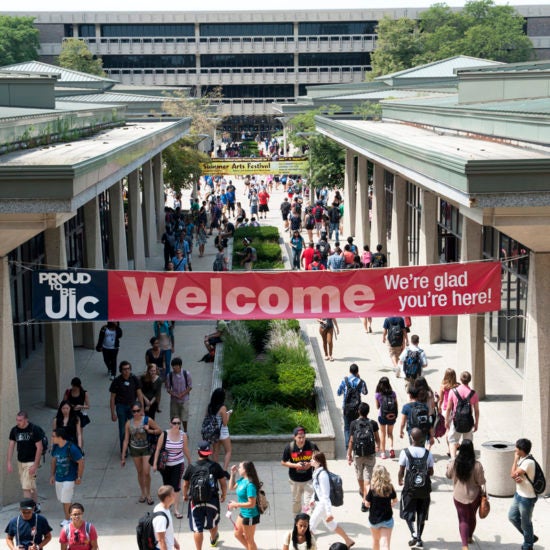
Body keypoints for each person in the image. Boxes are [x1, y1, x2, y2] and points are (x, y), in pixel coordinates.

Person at [182, 442, 227, 550]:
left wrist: (185, 496)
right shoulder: (215, 466)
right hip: (212, 500)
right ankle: (213, 539)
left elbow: (185, 485)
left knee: (198, 528)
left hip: (196, 501)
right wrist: (223, 495)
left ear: (198, 452)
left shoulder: (192, 467)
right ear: (209, 453)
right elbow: (223, 483)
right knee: (213, 522)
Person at [398, 428, 434, 549]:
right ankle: (419, 536)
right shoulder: (428, 453)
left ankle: (413, 534)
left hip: (410, 488)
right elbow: (431, 472)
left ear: (411, 438)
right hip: (424, 489)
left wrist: (400, 479)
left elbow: (401, 470)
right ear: (422, 439)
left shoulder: (405, 452)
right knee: (422, 513)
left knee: (407, 511)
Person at [308, 452, 355, 548]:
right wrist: (313, 499)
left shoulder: (322, 475)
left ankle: (308, 547)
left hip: (322, 505)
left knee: (310, 526)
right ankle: (348, 540)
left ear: (318, 462)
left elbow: (326, 496)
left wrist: (329, 513)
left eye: (313, 459)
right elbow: (317, 490)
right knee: (331, 525)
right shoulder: (316, 472)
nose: (311, 461)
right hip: (320, 504)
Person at [445, 440, 486, 550]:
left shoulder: (454, 463)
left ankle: (464, 546)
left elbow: (448, 475)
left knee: (463, 519)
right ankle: (469, 537)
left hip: (459, 497)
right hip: (474, 497)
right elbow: (481, 482)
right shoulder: (477, 465)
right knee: (472, 517)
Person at [121, 402, 161, 505]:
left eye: (138, 411)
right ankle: (143, 493)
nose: (136, 413)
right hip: (135, 450)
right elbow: (126, 440)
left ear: (141, 411)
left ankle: (148, 494)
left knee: (146, 472)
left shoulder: (147, 420)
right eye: (134, 411)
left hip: (146, 449)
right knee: (140, 472)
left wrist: (150, 431)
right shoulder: (129, 423)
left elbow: (159, 430)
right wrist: (123, 456)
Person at [153, 416, 192, 519]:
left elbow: (185, 448)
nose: (176, 425)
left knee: (176, 487)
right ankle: (167, 505)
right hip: (165, 465)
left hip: (178, 464)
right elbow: (158, 449)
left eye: (178, 423)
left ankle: (176, 509)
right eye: (174, 423)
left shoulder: (183, 435)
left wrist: (189, 460)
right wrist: (155, 463)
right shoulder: (164, 434)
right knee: (167, 486)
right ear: (170, 424)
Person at [347, 402, 380, 513]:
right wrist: (378, 446)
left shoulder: (353, 424)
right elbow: (377, 438)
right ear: (368, 412)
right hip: (370, 454)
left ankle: (364, 496)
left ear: (358, 411)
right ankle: (365, 496)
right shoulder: (373, 423)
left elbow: (351, 440)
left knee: (359, 476)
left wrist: (349, 454)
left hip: (358, 455)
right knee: (368, 478)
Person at [7, 411, 44, 506]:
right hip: (21, 461)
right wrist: (9, 462)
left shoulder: (34, 429)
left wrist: (35, 465)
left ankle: (27, 508)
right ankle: (36, 505)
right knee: (31, 485)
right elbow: (11, 446)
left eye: (20, 420)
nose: (18, 422)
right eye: (17, 420)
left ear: (26, 420)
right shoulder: (14, 430)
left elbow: (39, 447)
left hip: (31, 461)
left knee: (26, 487)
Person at [50, 427, 85, 525]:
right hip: (59, 477)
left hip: (70, 478)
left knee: (66, 499)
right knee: (62, 499)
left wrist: (79, 477)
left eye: (53, 436)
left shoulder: (72, 448)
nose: (52, 438)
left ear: (60, 437)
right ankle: (69, 516)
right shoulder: (56, 447)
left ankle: (68, 519)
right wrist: (52, 475)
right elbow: (53, 461)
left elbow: (81, 462)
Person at [508, 438, 539, 550]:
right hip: (519, 495)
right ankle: (530, 537)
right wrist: (517, 475)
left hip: (527, 498)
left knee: (526, 523)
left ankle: (528, 545)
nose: (515, 449)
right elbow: (515, 475)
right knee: (512, 517)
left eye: (517, 447)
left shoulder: (528, 462)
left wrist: (515, 460)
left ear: (521, 450)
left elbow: (512, 474)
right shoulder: (523, 459)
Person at [281, 426, 319, 515]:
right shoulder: (289, 447)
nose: (302, 440)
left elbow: (318, 459)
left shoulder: (312, 446)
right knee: (296, 501)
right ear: (294, 437)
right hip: (295, 480)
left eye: (303, 437)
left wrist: (309, 464)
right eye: (299, 438)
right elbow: (283, 462)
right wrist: (295, 465)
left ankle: (308, 522)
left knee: (309, 502)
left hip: (309, 479)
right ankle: (297, 520)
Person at [110, 360, 144, 453]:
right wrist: (112, 413)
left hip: (133, 408)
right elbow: (112, 398)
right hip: (121, 407)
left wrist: (142, 409)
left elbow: (140, 394)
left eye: (128, 369)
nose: (126, 371)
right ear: (121, 370)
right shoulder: (117, 381)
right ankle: (124, 451)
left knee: (134, 428)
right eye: (124, 369)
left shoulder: (134, 379)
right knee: (122, 430)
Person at [445, 371, 480, 459]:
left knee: (452, 440)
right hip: (468, 421)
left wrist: (446, 421)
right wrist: (476, 423)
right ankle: (466, 460)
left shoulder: (453, 391)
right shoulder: (473, 394)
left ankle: (453, 459)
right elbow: (476, 411)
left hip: (456, 420)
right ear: (469, 380)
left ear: (460, 379)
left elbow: (449, 408)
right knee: (467, 441)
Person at [228, 461, 261, 550]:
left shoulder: (250, 485)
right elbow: (231, 487)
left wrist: (236, 504)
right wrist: (232, 474)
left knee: (249, 539)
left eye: (240, 467)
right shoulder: (242, 480)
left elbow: (252, 504)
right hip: (243, 513)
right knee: (237, 534)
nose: (238, 469)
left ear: (245, 470)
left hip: (250, 515)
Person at [365, 465, 397, 550]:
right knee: (385, 545)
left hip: (374, 520)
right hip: (387, 519)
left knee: (375, 541)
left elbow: (367, 504)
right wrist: (390, 505)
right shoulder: (390, 487)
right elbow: (395, 501)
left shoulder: (372, 489)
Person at [336, 363, 368, 449]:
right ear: (357, 372)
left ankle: (348, 446)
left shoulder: (345, 381)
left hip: (346, 408)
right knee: (356, 426)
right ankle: (356, 444)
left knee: (347, 427)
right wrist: (359, 379)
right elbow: (365, 392)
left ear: (349, 371)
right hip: (357, 409)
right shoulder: (361, 382)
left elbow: (338, 393)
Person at [206, 388, 232, 471]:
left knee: (215, 451)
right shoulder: (223, 408)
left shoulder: (209, 407)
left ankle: (215, 471)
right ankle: (224, 471)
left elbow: (207, 418)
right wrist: (228, 414)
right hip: (223, 433)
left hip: (214, 433)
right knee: (228, 451)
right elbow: (225, 423)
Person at [165, 357, 192, 432]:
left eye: (175, 365)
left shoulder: (186, 374)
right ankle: (178, 431)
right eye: (173, 366)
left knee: (184, 417)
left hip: (184, 399)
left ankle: (185, 431)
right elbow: (168, 388)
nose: (174, 367)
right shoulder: (169, 375)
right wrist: (175, 394)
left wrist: (182, 394)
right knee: (175, 417)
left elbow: (190, 386)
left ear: (180, 366)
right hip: (174, 400)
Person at [375, 377, 398, 460]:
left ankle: (383, 453)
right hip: (392, 416)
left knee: (383, 434)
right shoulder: (393, 393)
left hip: (382, 416)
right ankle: (391, 448)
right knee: (390, 433)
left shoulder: (378, 394)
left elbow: (377, 407)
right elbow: (396, 405)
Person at [438, 368, 459, 456]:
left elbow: (441, 400)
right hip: (455, 410)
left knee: (448, 430)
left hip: (446, 410)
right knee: (454, 429)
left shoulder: (443, 386)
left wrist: (439, 407)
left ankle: (450, 449)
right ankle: (456, 445)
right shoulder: (457, 386)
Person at [153, 485, 180, 550]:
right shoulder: (161, 517)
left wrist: (175, 542)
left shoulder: (165, 508)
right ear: (168, 498)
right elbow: (161, 540)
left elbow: (168, 530)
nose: (175, 495)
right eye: (173, 494)